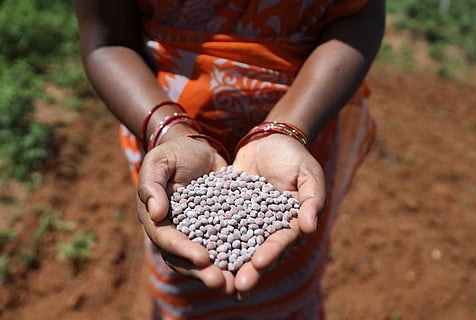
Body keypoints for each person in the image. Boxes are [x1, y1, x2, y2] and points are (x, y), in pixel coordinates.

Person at [74, 0, 385, 319]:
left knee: (289, 269)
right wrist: (168, 130)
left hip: (300, 133)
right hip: (168, 138)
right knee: (186, 275)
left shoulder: (284, 182)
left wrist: (289, 128)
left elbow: (362, 12)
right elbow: (107, 42)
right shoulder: (178, 176)